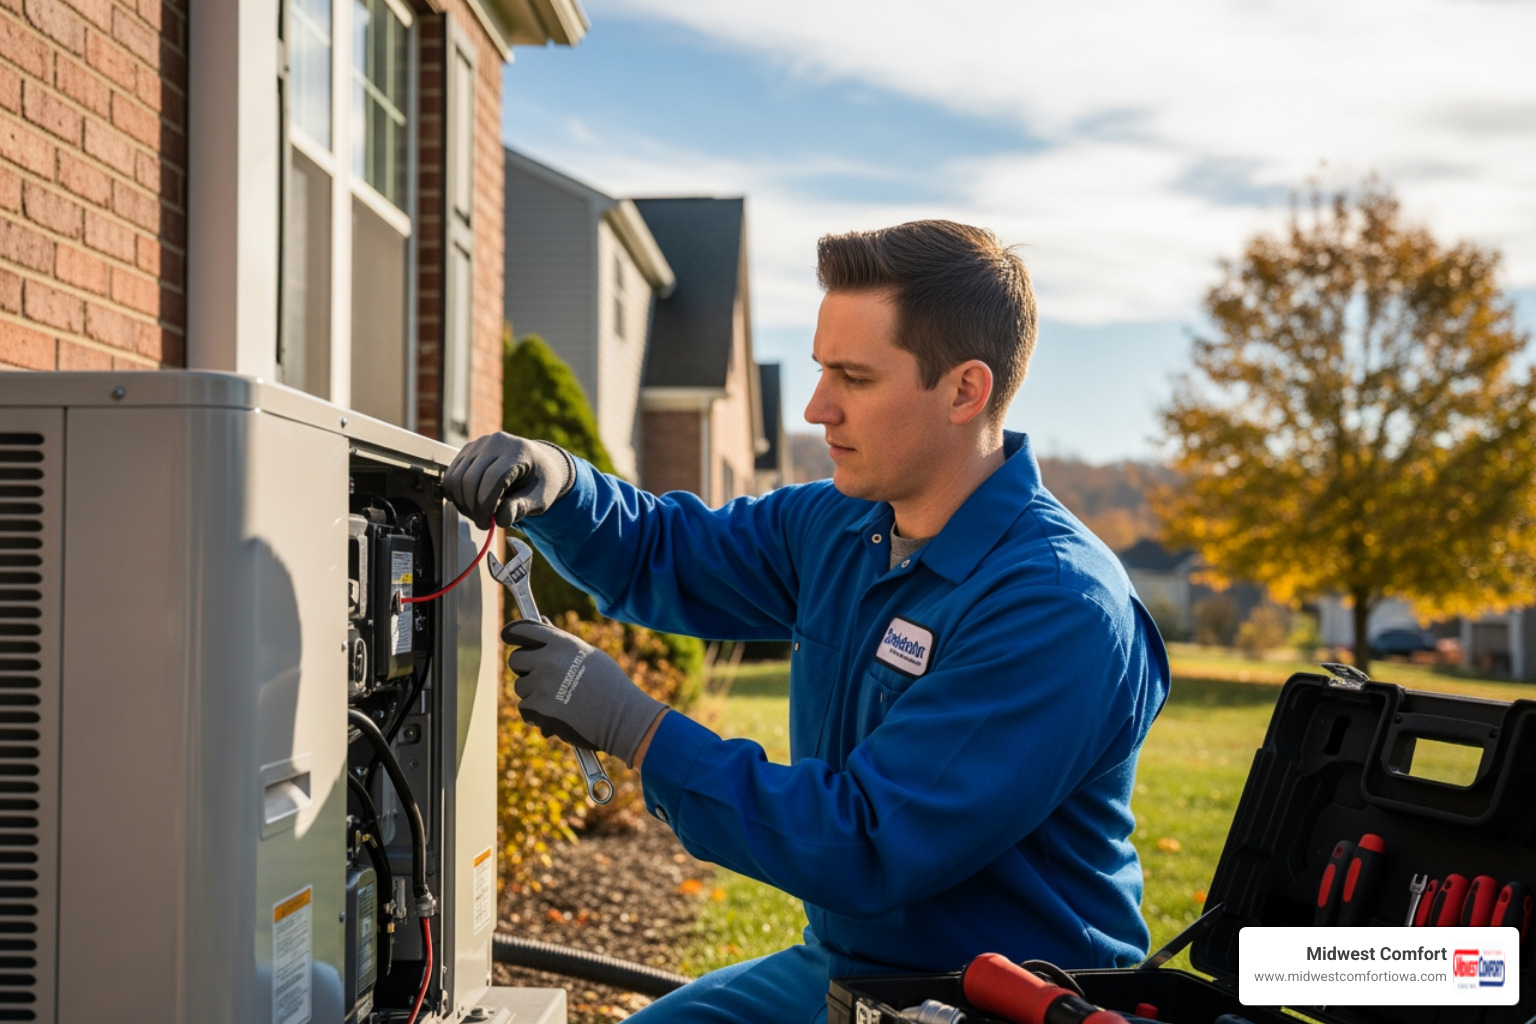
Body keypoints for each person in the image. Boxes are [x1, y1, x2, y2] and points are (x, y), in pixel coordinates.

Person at [445, 220, 1170, 1023]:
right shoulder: (845, 525)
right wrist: (563, 483)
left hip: (1012, 997)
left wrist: (635, 729)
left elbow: (865, 842)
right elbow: (667, 552)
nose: (818, 407)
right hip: (849, 969)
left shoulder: (1056, 606)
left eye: (854, 378)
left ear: (966, 390)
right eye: (824, 368)